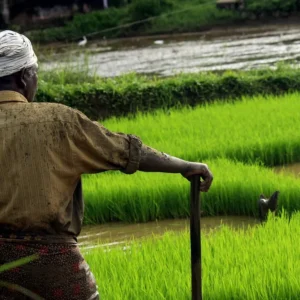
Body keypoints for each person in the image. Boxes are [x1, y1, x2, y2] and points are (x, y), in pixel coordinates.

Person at [0, 30, 213, 299]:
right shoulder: (57, 121)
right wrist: (184, 166)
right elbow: (123, 150)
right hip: (51, 261)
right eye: (35, 73)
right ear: (23, 77)